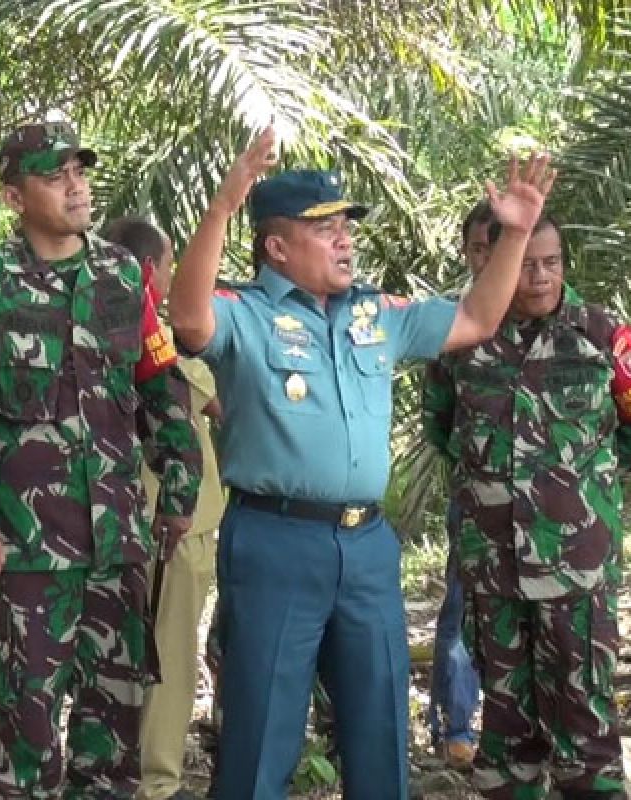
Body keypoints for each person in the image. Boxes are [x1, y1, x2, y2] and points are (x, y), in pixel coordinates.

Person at [167, 127, 555, 799]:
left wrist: (515, 236)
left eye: (347, 225)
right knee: (261, 732)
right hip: (276, 541)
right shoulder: (247, 314)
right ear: (277, 247)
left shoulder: (377, 313)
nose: (345, 238)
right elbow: (189, 318)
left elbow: (475, 319)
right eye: (325, 229)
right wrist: (224, 205)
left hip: (368, 545)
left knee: (381, 726)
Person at [0, 121, 203, 798]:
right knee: (27, 723)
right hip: (30, 549)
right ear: (15, 197)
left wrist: (179, 482)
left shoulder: (120, 275)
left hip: (117, 542)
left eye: (79, 170)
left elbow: (158, 380)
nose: (75, 186)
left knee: (112, 721)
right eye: (56, 176)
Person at [423, 216, 631, 800]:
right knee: (506, 730)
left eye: (551, 262)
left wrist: (582, 490)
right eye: (526, 263)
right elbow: (442, 428)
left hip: (576, 571)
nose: (539, 277)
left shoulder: (603, 334)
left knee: (587, 728)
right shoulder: (462, 340)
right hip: (495, 570)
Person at [102, 215, 227, 800]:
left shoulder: (84, 321)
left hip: (107, 524)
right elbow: (216, 405)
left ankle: (117, 777)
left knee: (115, 660)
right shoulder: (159, 342)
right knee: (168, 662)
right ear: (150, 272)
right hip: (171, 525)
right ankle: (154, 784)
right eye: (172, 267)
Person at [424, 200, 495, 769]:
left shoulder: (571, 326)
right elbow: (439, 422)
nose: (488, 258)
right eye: (477, 248)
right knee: (462, 610)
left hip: (558, 515)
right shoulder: (454, 334)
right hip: (476, 503)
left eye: (498, 245)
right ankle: (456, 727)